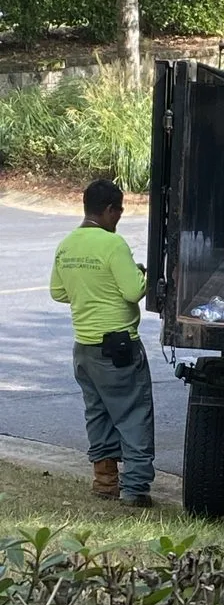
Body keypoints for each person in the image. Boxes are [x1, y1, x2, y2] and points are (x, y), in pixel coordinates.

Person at [50, 179, 155, 507]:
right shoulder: (114, 245)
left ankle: (105, 481)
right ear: (109, 209)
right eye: (119, 211)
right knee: (134, 413)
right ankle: (135, 489)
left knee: (98, 412)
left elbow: (58, 292)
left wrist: (89, 291)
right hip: (119, 347)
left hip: (84, 347)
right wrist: (142, 273)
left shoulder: (67, 245)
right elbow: (133, 291)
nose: (119, 218)